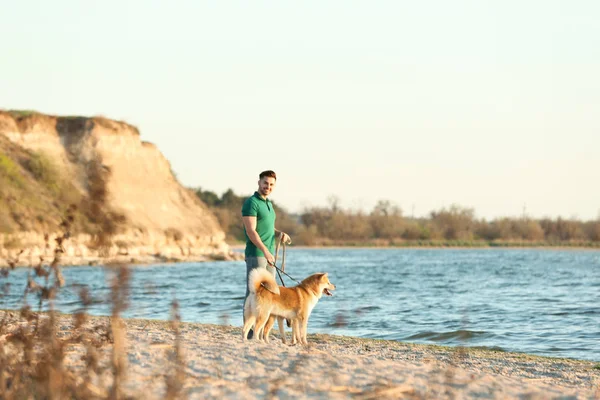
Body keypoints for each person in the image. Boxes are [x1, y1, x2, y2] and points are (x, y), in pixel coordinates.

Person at [241, 170, 291, 339]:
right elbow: (251, 231)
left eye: (271, 184)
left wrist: (279, 234)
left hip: (269, 255)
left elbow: (267, 228)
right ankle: (248, 334)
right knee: (254, 293)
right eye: (265, 183)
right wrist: (265, 251)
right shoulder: (251, 203)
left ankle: (262, 334)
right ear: (259, 182)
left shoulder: (269, 204)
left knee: (270, 295)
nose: (267, 187)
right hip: (257, 253)